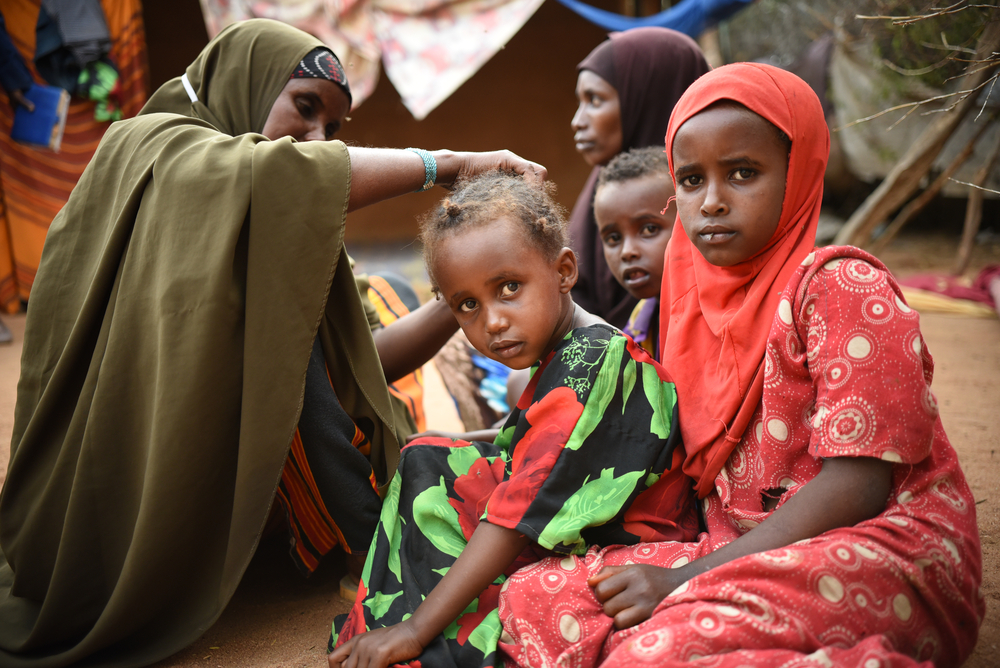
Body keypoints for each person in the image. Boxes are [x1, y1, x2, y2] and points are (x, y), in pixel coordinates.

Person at [0, 19, 544, 668]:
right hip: (104, 506)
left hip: (204, 502)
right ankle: (367, 538)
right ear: (243, 82)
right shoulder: (153, 146)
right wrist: (449, 166)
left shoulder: (270, 229)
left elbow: (357, 373)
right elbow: (281, 173)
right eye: (305, 109)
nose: (315, 140)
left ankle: (358, 535)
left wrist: (464, 298)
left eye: (332, 131)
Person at [498, 63, 984, 666]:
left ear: (798, 171)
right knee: (531, 598)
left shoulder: (840, 288)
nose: (713, 203)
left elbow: (859, 485)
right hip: (738, 545)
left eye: (744, 173)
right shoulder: (685, 306)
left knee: (653, 651)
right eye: (693, 181)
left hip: (879, 544)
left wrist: (684, 580)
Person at [328, 172, 700, 668]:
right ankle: (405, 620)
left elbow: (515, 514)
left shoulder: (588, 364)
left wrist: (416, 631)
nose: (493, 321)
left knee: (436, 477)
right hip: (569, 520)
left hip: (624, 542)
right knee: (427, 454)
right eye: (467, 305)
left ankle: (426, 637)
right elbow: (524, 446)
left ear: (563, 270)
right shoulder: (563, 347)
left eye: (508, 288)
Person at [568, 27, 709, 329]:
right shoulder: (601, 193)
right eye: (614, 237)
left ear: (649, 97)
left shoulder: (706, 203)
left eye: (594, 100)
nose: (577, 121)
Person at [593, 146, 675, 361]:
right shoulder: (639, 324)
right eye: (613, 238)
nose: (627, 252)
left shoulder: (716, 317)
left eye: (649, 229)